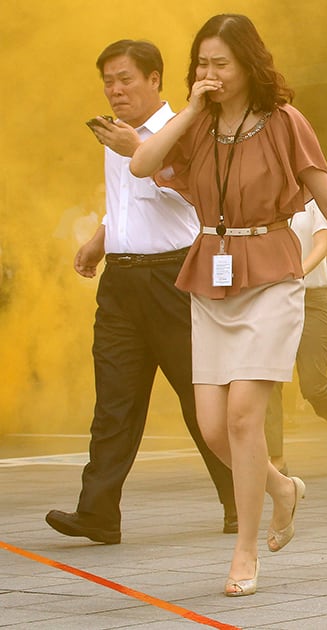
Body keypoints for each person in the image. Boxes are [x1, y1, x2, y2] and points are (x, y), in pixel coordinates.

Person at [129, 14, 327, 596]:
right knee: (213, 425)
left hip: (271, 273)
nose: (210, 73)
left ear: (248, 64)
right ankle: (281, 487)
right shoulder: (198, 124)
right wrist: (192, 108)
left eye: (221, 63)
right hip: (212, 277)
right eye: (202, 63)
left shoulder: (284, 122)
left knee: (244, 417)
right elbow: (142, 164)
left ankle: (245, 552)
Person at [45, 39, 237, 546]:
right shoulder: (115, 133)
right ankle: (98, 514)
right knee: (114, 401)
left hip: (174, 276)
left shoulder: (192, 126)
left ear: (155, 79)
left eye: (125, 78)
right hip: (122, 282)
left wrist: (142, 154)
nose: (115, 89)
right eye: (108, 81)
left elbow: (203, 192)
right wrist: (98, 242)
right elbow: (123, 205)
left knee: (201, 400)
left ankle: (242, 497)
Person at [263, 198, 327, 474]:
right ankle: (276, 458)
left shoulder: (313, 199)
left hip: (312, 298)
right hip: (272, 298)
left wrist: (295, 274)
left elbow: (322, 246)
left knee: (312, 383)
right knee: (268, 382)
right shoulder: (266, 192)